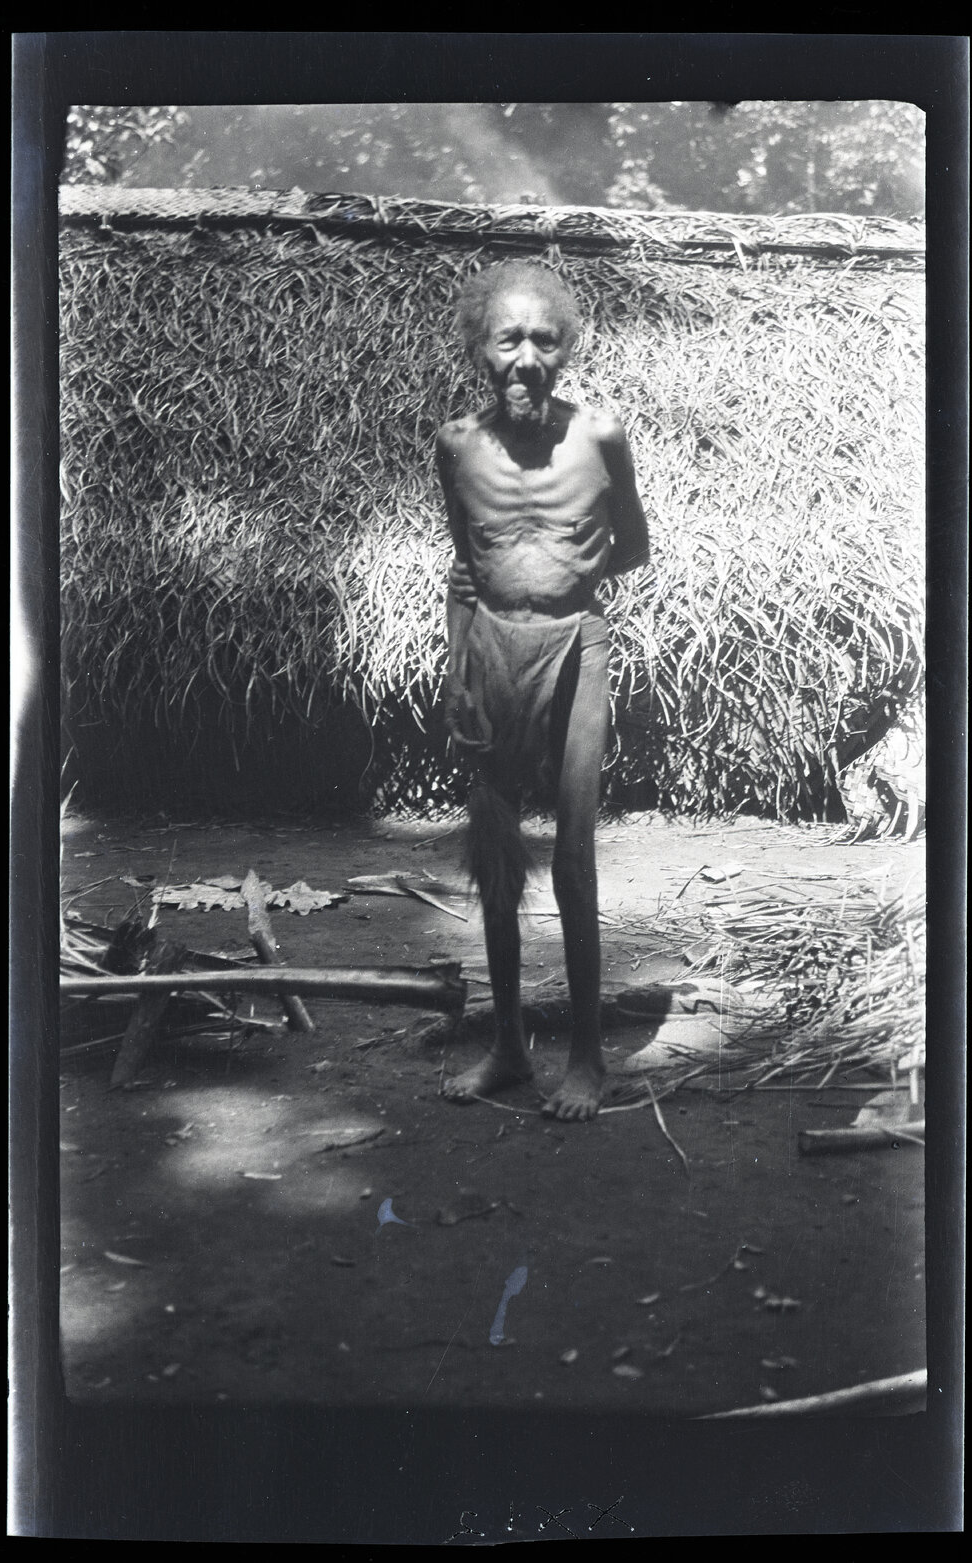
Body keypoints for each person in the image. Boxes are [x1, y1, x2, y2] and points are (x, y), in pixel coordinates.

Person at [435, 260, 650, 1121]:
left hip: (576, 648)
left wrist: (560, 582)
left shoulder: (601, 436)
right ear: (479, 349)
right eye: (508, 339)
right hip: (489, 650)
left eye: (544, 340)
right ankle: (509, 1048)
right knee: (495, 855)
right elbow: (465, 562)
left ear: (566, 348)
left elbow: (632, 543)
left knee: (571, 854)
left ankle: (588, 1059)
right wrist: (460, 671)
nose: (526, 358)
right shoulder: (456, 446)